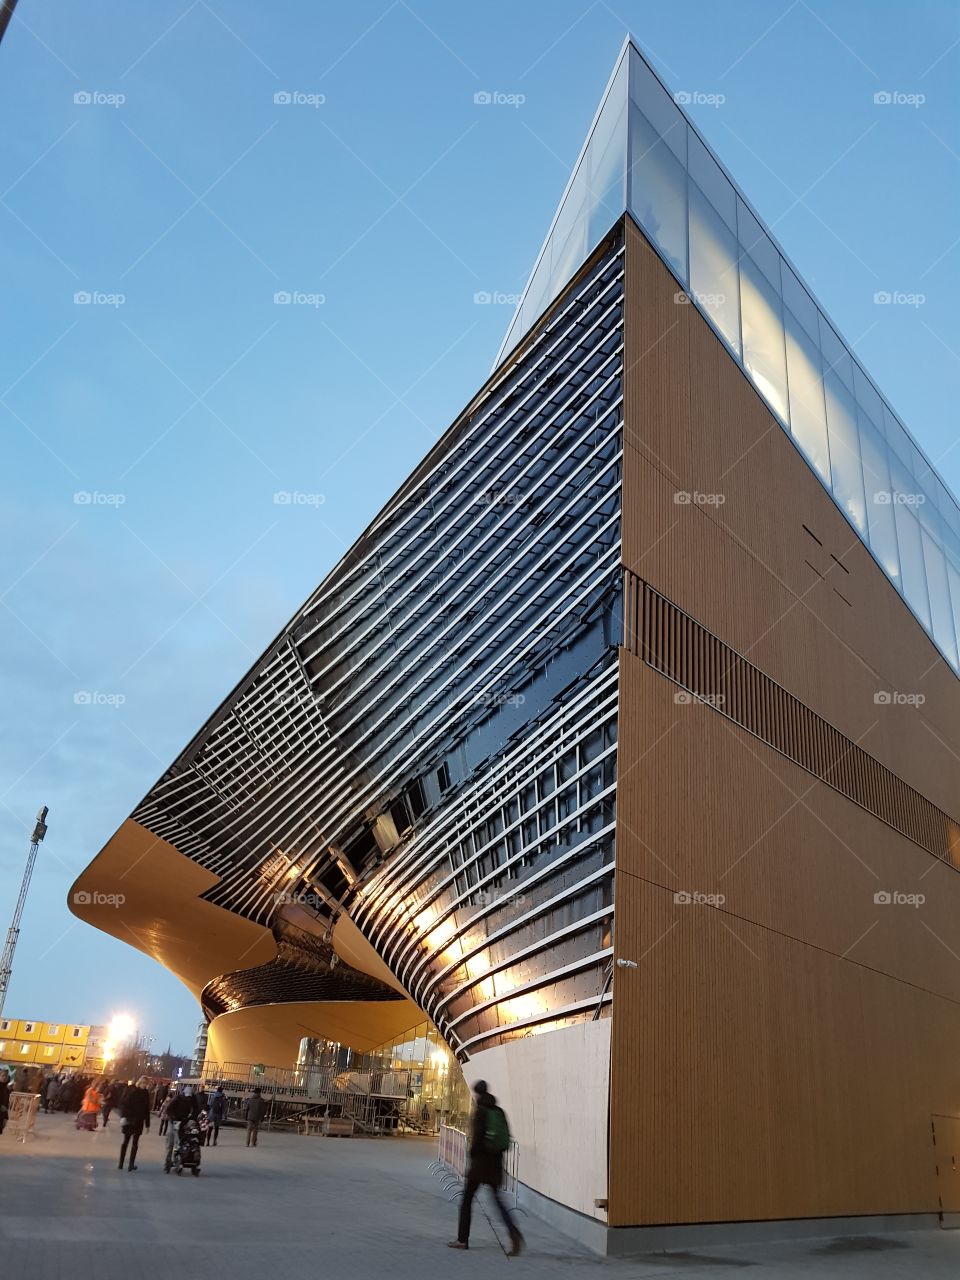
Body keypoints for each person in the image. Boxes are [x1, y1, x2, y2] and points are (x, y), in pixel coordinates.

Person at [448, 1081, 523, 1255]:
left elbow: (477, 1140)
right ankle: (514, 1232)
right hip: (496, 1165)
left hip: (480, 1166)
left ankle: (462, 1240)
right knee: (497, 1201)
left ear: (477, 1094)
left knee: (466, 1200)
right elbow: (505, 1139)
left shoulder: (480, 1112)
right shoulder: (499, 1112)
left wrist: (472, 1155)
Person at [118, 1076, 151, 1171]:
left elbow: (146, 1110)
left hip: (139, 1121)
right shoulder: (133, 1091)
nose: (144, 1084)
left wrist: (147, 1124)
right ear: (139, 1082)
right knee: (126, 1142)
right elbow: (125, 1104)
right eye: (143, 1082)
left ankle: (131, 1164)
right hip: (129, 1120)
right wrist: (124, 1117)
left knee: (135, 1143)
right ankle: (121, 1163)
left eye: (146, 1083)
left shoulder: (146, 1094)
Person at [163, 1087, 199, 1171]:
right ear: (183, 1093)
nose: (188, 1098)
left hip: (184, 1120)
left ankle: (177, 1161)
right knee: (171, 1142)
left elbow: (196, 1109)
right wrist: (174, 1118)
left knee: (180, 1142)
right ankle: (167, 1163)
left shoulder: (193, 1098)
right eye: (187, 1096)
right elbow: (168, 1109)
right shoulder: (178, 1098)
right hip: (174, 1121)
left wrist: (192, 1118)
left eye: (189, 1096)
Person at [0, 1069, 9, 1136]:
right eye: (2, 1075)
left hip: (2, 1115)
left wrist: (6, 1117)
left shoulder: (6, 1088)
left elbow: (6, 1103)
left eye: (6, 1076)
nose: (4, 1077)